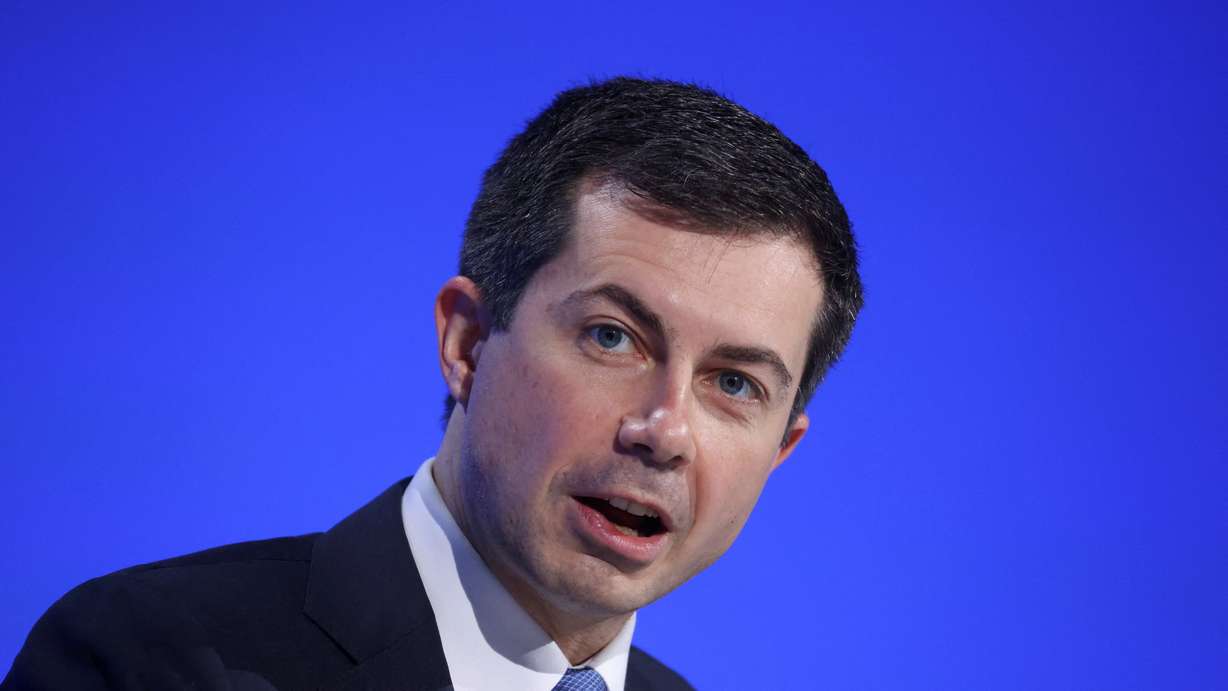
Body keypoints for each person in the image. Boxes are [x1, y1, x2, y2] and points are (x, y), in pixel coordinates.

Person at [2, 77, 862, 691]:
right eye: (613, 336)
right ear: (467, 343)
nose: (664, 428)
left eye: (736, 384)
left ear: (781, 451)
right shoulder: (153, 659)